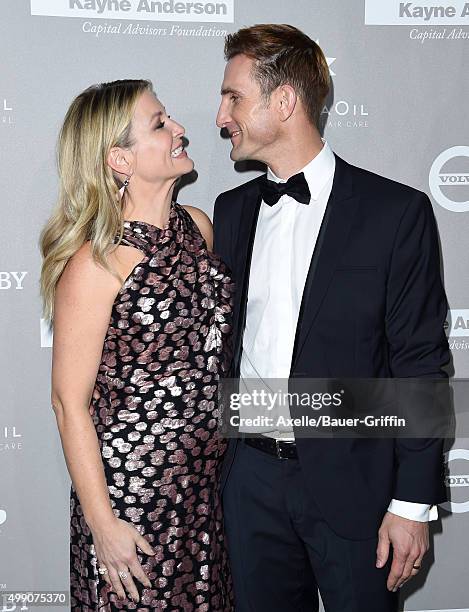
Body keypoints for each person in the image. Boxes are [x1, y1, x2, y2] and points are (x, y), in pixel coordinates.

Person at [213, 24, 449, 612]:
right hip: (251, 483)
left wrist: (411, 504)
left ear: (286, 101)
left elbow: (420, 366)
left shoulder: (395, 214)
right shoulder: (232, 210)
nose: (221, 116)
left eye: (234, 97)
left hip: (356, 488)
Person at [40, 79, 234, 611]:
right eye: (160, 124)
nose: (179, 129)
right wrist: (103, 524)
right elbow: (68, 403)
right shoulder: (95, 265)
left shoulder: (198, 228)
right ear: (119, 159)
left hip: (201, 495)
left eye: (168, 118)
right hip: (133, 502)